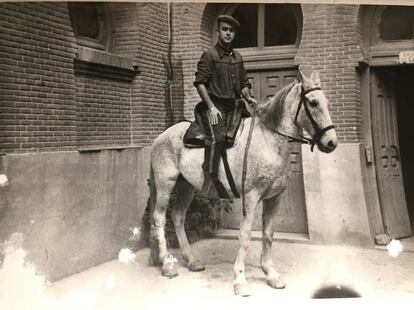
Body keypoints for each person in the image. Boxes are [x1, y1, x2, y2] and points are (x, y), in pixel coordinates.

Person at [193, 14, 257, 198]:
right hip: (216, 106)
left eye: (231, 30)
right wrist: (211, 107)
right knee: (218, 138)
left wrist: (248, 97)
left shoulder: (238, 57)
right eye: (225, 29)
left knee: (249, 135)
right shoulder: (209, 55)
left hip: (235, 106)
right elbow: (200, 83)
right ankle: (210, 178)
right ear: (218, 31)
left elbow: (244, 83)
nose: (228, 33)